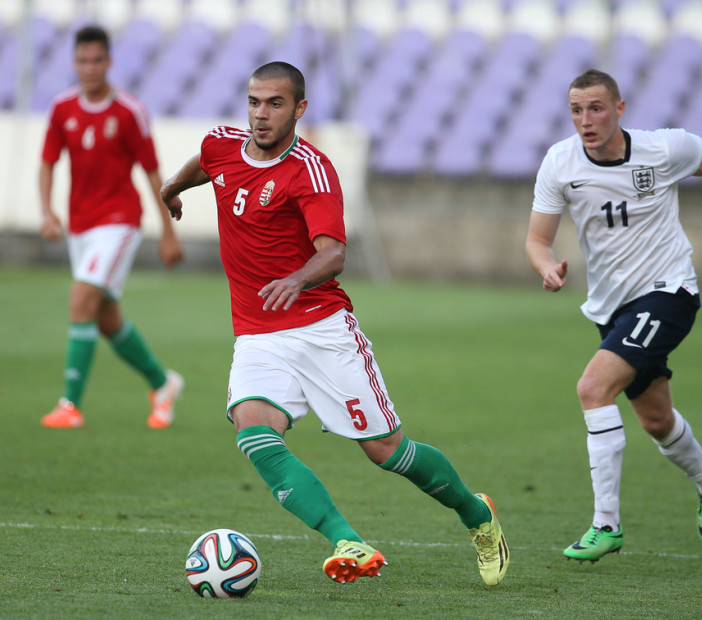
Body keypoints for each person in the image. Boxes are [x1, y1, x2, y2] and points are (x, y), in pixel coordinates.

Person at [161, 61, 509, 586]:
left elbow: (334, 253)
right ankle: (346, 539)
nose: (261, 113)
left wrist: (296, 279)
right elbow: (205, 163)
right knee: (254, 432)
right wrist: (172, 188)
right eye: (254, 102)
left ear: (299, 109)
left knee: (385, 451)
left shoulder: (311, 170)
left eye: (275, 103)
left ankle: (476, 514)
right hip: (257, 335)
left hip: (322, 330)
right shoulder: (221, 145)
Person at [526, 69, 702, 562]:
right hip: (612, 306)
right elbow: (536, 239)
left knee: (593, 388)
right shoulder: (560, 162)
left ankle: (606, 526)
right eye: (576, 110)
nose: (585, 120)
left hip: (668, 291)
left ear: (620, 108)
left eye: (596, 108)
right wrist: (546, 266)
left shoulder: (664, 149)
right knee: (656, 420)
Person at [38, 25, 184, 430]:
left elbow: (154, 173)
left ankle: (71, 405)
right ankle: (162, 382)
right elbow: (48, 162)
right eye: (83, 60)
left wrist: (168, 233)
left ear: (109, 61)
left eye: (97, 60)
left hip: (119, 221)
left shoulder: (129, 111)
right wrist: (48, 213)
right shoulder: (62, 109)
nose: (89, 67)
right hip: (81, 227)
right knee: (105, 318)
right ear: (74, 62)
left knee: (81, 298)